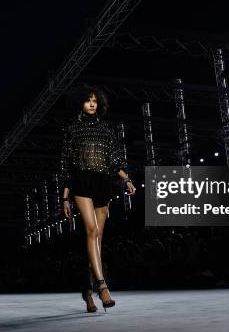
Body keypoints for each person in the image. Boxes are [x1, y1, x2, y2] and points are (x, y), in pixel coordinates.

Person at [60, 85, 136, 312]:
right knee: (92, 232)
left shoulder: (106, 129)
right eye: (87, 100)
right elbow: (65, 166)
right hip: (82, 182)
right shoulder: (72, 129)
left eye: (94, 100)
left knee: (98, 241)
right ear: (80, 104)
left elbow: (113, 161)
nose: (91, 103)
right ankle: (103, 287)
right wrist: (65, 198)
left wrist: (127, 180)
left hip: (104, 183)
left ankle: (87, 290)